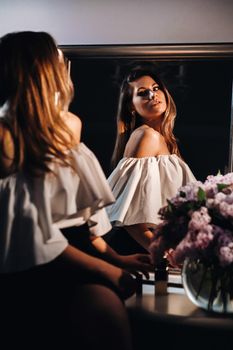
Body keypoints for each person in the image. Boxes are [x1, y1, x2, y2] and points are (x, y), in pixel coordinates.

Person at [0, 31, 153, 350]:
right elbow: (31, 240)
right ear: (41, 69)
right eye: (55, 58)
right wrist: (107, 272)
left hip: (73, 259)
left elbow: (80, 221)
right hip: (34, 270)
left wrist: (118, 259)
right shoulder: (5, 137)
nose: (62, 64)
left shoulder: (70, 125)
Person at [104, 64, 196, 255]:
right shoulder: (147, 136)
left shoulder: (164, 140)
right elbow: (131, 219)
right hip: (138, 248)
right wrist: (167, 255)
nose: (152, 95)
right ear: (131, 106)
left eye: (155, 89)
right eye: (143, 93)